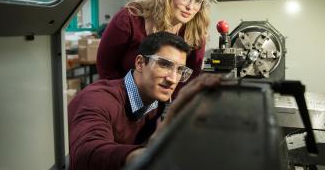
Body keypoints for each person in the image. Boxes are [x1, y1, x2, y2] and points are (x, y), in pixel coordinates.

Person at [69, 32, 221, 170]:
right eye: (165, 65)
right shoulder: (97, 98)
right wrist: (147, 155)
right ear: (140, 63)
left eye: (180, 70)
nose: (173, 80)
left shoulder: (157, 102)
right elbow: (86, 152)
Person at [96, 0, 211, 97]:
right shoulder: (129, 19)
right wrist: (127, 103)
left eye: (198, 1)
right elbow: (106, 68)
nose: (190, 7)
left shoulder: (196, 31)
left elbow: (191, 77)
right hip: (123, 99)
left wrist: (168, 103)